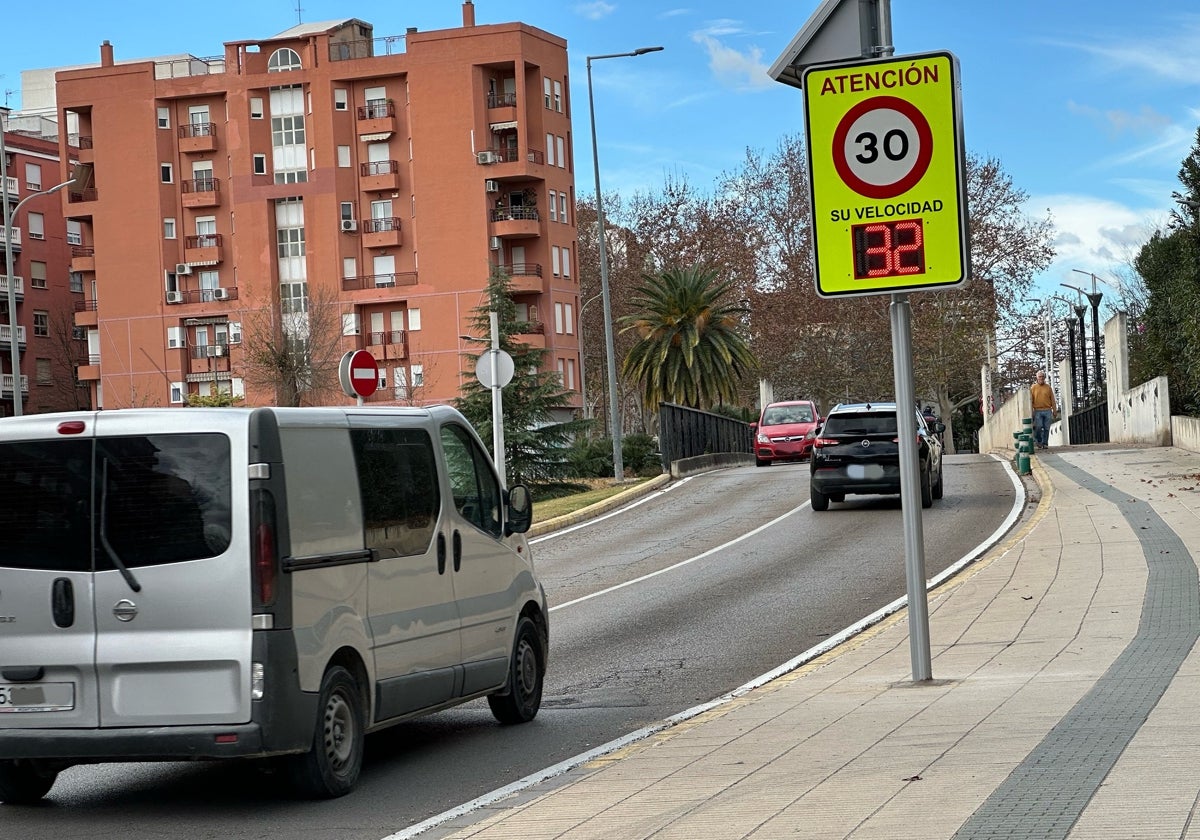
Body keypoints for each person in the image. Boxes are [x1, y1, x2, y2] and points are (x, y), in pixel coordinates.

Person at [1031, 369, 1057, 450]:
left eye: (1042, 377)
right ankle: (1039, 441)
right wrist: (1031, 411)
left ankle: (1045, 443)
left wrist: (1054, 410)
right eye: (1039, 377)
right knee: (1038, 427)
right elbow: (1031, 400)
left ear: (1044, 377)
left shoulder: (1048, 387)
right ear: (1037, 378)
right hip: (1037, 410)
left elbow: (1052, 399)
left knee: (1046, 428)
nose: (1041, 378)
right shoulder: (1033, 387)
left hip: (1047, 410)